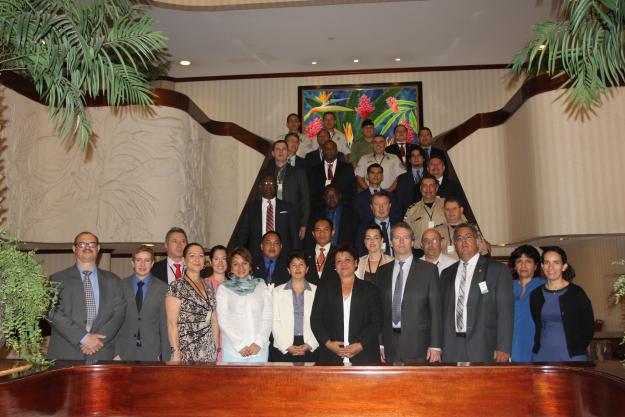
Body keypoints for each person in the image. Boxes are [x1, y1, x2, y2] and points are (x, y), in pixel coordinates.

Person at [440, 224, 514, 363]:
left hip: (483, 345)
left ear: (478, 241)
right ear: (455, 244)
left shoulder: (497, 270)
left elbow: (505, 312)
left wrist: (504, 347)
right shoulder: (446, 273)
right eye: (459, 238)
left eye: (469, 237)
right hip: (451, 346)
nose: (464, 242)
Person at [47, 231, 125, 361]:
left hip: (101, 351)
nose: (87, 247)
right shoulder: (57, 279)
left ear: (98, 249)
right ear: (74, 249)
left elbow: (119, 314)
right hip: (65, 352)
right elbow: (53, 312)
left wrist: (96, 341)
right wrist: (83, 338)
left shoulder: (113, 280)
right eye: (82, 244)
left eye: (91, 244)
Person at [376, 222, 442, 363]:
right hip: (389, 343)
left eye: (405, 238)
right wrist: (380, 342)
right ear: (391, 243)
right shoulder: (382, 272)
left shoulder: (429, 270)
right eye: (396, 238)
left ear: (412, 242)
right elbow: (379, 311)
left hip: (419, 344)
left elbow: (436, 310)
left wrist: (436, 345)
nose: (401, 242)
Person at [310, 244, 383, 364]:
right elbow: (316, 320)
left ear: (355, 263)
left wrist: (360, 345)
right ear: (335, 266)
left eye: (347, 260)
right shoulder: (324, 289)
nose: (343, 264)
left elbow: (377, 322)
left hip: (364, 355)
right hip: (331, 356)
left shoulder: (370, 289)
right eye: (338, 261)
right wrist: (328, 344)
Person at [530, 246, 594, 362]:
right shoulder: (536, 295)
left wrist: (578, 348)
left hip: (572, 357)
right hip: (542, 356)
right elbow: (537, 322)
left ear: (564, 266)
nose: (551, 267)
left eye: (556, 263)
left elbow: (589, 327)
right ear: (542, 266)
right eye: (547, 262)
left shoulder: (576, 293)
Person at [217, 247, 273, 363]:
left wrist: (259, 342)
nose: (241, 267)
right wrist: (239, 345)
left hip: (259, 349)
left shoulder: (261, 285)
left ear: (250, 265)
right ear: (230, 267)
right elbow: (222, 320)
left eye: (244, 263)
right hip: (233, 350)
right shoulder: (224, 288)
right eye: (236, 264)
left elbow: (268, 317)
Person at [115, 246, 170, 361]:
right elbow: (114, 320)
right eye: (138, 260)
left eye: (147, 260)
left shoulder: (162, 288)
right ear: (132, 263)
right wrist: (115, 352)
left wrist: (164, 354)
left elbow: (164, 324)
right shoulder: (120, 286)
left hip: (152, 352)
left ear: (152, 263)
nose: (142, 264)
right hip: (124, 352)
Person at [166, 243, 219, 362]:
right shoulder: (177, 286)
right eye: (192, 255)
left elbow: (214, 319)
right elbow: (171, 323)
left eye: (201, 255)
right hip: (186, 350)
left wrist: (216, 347)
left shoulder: (208, 284)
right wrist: (176, 353)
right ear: (184, 260)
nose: (197, 259)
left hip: (209, 350)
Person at [234, 172, 300, 260]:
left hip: (283, 255)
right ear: (260, 187)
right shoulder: (251, 209)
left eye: (272, 183)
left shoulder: (288, 207)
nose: (269, 186)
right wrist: (238, 252)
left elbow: (294, 235)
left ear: (276, 187)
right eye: (265, 183)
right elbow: (243, 233)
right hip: (257, 255)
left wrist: (296, 256)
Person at [271, 251, 319, 362]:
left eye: (301, 264)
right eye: (294, 265)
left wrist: (310, 344)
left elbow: (320, 321)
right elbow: (275, 321)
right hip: (284, 344)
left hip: (309, 344)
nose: (297, 268)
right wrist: (287, 346)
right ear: (288, 269)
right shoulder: (277, 292)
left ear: (307, 269)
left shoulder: (317, 291)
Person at [264, 140, 310, 240]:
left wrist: (304, 225)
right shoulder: (265, 173)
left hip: (293, 219)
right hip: (271, 218)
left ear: (288, 153)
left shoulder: (299, 172)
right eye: (277, 149)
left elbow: (305, 200)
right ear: (272, 153)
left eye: (284, 149)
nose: (281, 152)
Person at [508, 245, 546, 362]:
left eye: (528, 261)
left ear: (535, 266)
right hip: (511, 346)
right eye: (519, 261)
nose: (523, 265)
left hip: (537, 345)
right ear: (514, 266)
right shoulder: (507, 286)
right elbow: (485, 296)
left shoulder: (544, 286)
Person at [309, 139, 357, 210]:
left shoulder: (347, 168)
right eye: (326, 149)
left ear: (337, 151)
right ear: (322, 152)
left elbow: (352, 190)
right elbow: (312, 192)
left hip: (343, 208)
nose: (329, 150)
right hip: (321, 209)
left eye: (332, 148)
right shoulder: (314, 170)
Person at [404, 175, 446, 249]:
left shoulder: (447, 205)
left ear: (436, 188)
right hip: (421, 253)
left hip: (444, 251)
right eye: (425, 186)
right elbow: (406, 235)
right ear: (420, 188)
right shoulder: (412, 210)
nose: (428, 189)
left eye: (431, 185)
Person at [304, 218, 339, 286]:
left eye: (326, 229)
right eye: (318, 230)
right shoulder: (304, 254)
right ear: (313, 234)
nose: (322, 233)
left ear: (332, 232)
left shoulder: (340, 253)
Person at [395, 146, 428, 216]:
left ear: (424, 159)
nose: (416, 158)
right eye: (413, 156)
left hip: (428, 214)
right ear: (409, 160)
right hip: (408, 215)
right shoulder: (402, 178)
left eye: (419, 155)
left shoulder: (431, 176)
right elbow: (399, 201)